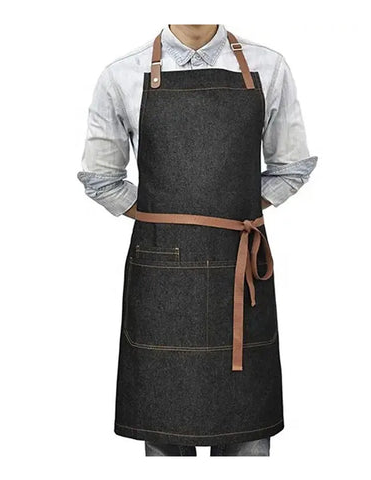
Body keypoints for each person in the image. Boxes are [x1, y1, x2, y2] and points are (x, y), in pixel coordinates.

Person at [77, 24, 317, 457]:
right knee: (164, 433)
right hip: (162, 280)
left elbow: (292, 167)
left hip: (239, 272)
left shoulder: (268, 67)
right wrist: (168, 217)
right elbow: (100, 178)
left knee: (246, 434)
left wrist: (232, 212)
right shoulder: (122, 75)